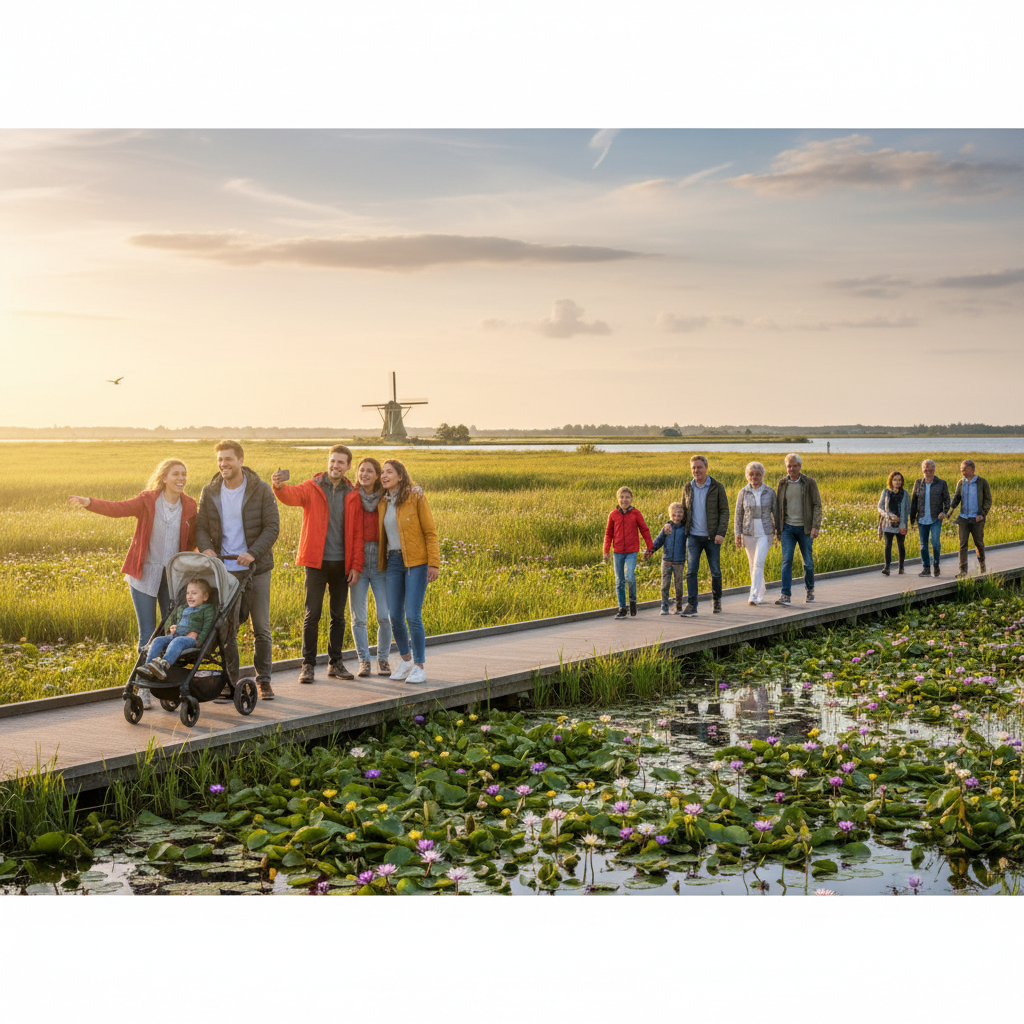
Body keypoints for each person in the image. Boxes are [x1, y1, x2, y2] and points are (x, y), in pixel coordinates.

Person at [68, 458, 197, 708]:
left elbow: (193, 538)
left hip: (172, 578)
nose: (181, 479)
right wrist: (90, 503)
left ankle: (168, 685)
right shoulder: (148, 500)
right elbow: (119, 508)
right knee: (148, 634)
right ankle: (143, 687)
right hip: (143, 575)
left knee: (173, 632)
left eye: (184, 474)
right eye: (176, 474)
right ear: (164, 478)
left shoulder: (190, 505)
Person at [272, 445, 364, 684]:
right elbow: (289, 496)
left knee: (338, 616)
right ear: (328, 462)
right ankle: (308, 665)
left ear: (348, 466)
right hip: (315, 562)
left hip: (342, 564)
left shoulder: (353, 493)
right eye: (333, 461)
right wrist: (279, 485)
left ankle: (335, 663)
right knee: (312, 614)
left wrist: (355, 566)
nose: (336, 466)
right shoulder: (312, 487)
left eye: (341, 463)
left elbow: (357, 533)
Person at [197, 440, 280, 699]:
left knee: (261, 627)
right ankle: (230, 682)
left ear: (240, 460)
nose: (224, 464)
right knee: (225, 627)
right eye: (220, 460)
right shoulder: (209, 491)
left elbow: (272, 527)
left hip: (256, 568)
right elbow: (200, 526)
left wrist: (252, 553)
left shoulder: (261, 489)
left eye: (228, 459)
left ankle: (264, 680)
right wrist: (206, 549)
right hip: (224, 570)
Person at [378, 459, 440, 683]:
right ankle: (405, 661)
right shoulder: (382, 501)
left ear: (400, 476)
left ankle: (419, 666)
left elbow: (430, 532)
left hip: (416, 562)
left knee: (412, 614)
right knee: (394, 615)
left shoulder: (416, 497)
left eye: (389, 472)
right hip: (393, 561)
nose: (384, 475)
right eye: (382, 473)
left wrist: (433, 563)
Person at [350, 457, 393, 677]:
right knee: (358, 618)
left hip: (380, 564)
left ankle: (383, 659)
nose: (364, 474)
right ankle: (364, 660)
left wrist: (417, 489)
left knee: (385, 615)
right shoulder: (350, 496)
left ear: (377, 475)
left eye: (369, 471)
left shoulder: (386, 497)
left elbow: (406, 490)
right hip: (357, 563)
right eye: (361, 470)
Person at [679, 456, 729, 616]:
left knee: (715, 571)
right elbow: (683, 512)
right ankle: (692, 605)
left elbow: (724, 511)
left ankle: (717, 601)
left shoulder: (717, 487)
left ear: (706, 468)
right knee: (691, 571)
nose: (696, 471)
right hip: (693, 537)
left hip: (712, 537)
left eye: (699, 467)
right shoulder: (688, 487)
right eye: (693, 468)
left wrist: (721, 533)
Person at [137, 578, 215, 680]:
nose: (189, 596)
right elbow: (169, 619)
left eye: (194, 593)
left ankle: (163, 665)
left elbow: (207, 627)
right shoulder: (182, 608)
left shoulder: (207, 609)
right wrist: (171, 628)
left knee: (178, 641)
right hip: (175, 635)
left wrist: (199, 641)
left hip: (191, 639)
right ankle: (148, 665)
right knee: (157, 640)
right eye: (187, 593)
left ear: (205, 596)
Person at [774, 453, 822, 606]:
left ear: (800, 466)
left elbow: (817, 505)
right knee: (786, 561)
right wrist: (778, 529)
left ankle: (810, 590)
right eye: (789, 466)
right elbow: (778, 508)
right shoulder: (782, 483)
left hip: (805, 528)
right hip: (787, 528)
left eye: (795, 466)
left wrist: (816, 526)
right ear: (786, 467)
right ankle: (785, 595)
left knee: (808, 562)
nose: (792, 468)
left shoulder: (809, 483)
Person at [603, 486, 654, 619]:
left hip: (632, 551)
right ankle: (622, 607)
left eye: (627, 497)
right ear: (618, 499)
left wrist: (650, 547)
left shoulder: (636, 513)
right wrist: (606, 551)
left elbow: (644, 529)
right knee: (619, 580)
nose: (624, 500)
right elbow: (608, 534)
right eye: (622, 497)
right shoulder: (613, 515)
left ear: (631, 499)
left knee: (630, 576)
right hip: (618, 552)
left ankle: (632, 601)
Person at [734, 461, 777, 606]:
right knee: (752, 565)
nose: (755, 477)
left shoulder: (770, 492)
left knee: (759, 563)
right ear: (747, 476)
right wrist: (737, 533)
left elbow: (776, 513)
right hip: (748, 533)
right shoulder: (743, 492)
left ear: (763, 475)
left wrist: (779, 531)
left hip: (765, 532)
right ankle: (761, 588)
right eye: (751, 474)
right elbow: (738, 515)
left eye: (758, 474)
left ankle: (754, 595)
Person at [951, 459, 992, 577]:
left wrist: (982, 514)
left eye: (965, 469)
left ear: (972, 469)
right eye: (961, 470)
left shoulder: (982, 482)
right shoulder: (960, 483)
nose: (963, 472)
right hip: (963, 518)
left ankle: (982, 565)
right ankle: (962, 571)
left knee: (978, 543)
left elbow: (988, 500)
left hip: (977, 519)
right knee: (963, 544)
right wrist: (949, 509)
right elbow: (956, 498)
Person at [909, 459, 950, 578]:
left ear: (934, 469)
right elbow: (914, 502)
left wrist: (944, 512)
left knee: (935, 542)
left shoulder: (941, 483)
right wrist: (912, 519)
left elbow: (947, 500)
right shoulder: (918, 483)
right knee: (923, 545)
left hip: (935, 517)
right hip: (922, 518)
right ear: (922, 470)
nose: (927, 470)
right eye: (925, 468)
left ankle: (936, 564)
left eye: (930, 468)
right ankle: (926, 567)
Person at [651, 502, 687, 615]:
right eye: (674, 514)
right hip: (666, 561)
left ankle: (679, 606)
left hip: (679, 562)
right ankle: (664, 606)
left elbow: (692, 543)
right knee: (665, 585)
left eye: (680, 514)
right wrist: (650, 551)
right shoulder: (667, 528)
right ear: (670, 515)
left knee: (679, 585)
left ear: (683, 515)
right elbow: (659, 540)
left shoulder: (685, 529)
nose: (677, 517)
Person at [877, 471, 910, 576]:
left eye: (899, 480)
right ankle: (887, 567)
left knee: (901, 545)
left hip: (901, 524)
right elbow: (880, 507)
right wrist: (888, 516)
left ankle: (901, 567)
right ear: (891, 481)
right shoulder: (886, 492)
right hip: (888, 523)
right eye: (895, 479)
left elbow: (907, 509)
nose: (897, 482)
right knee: (888, 545)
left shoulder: (905, 494)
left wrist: (900, 519)